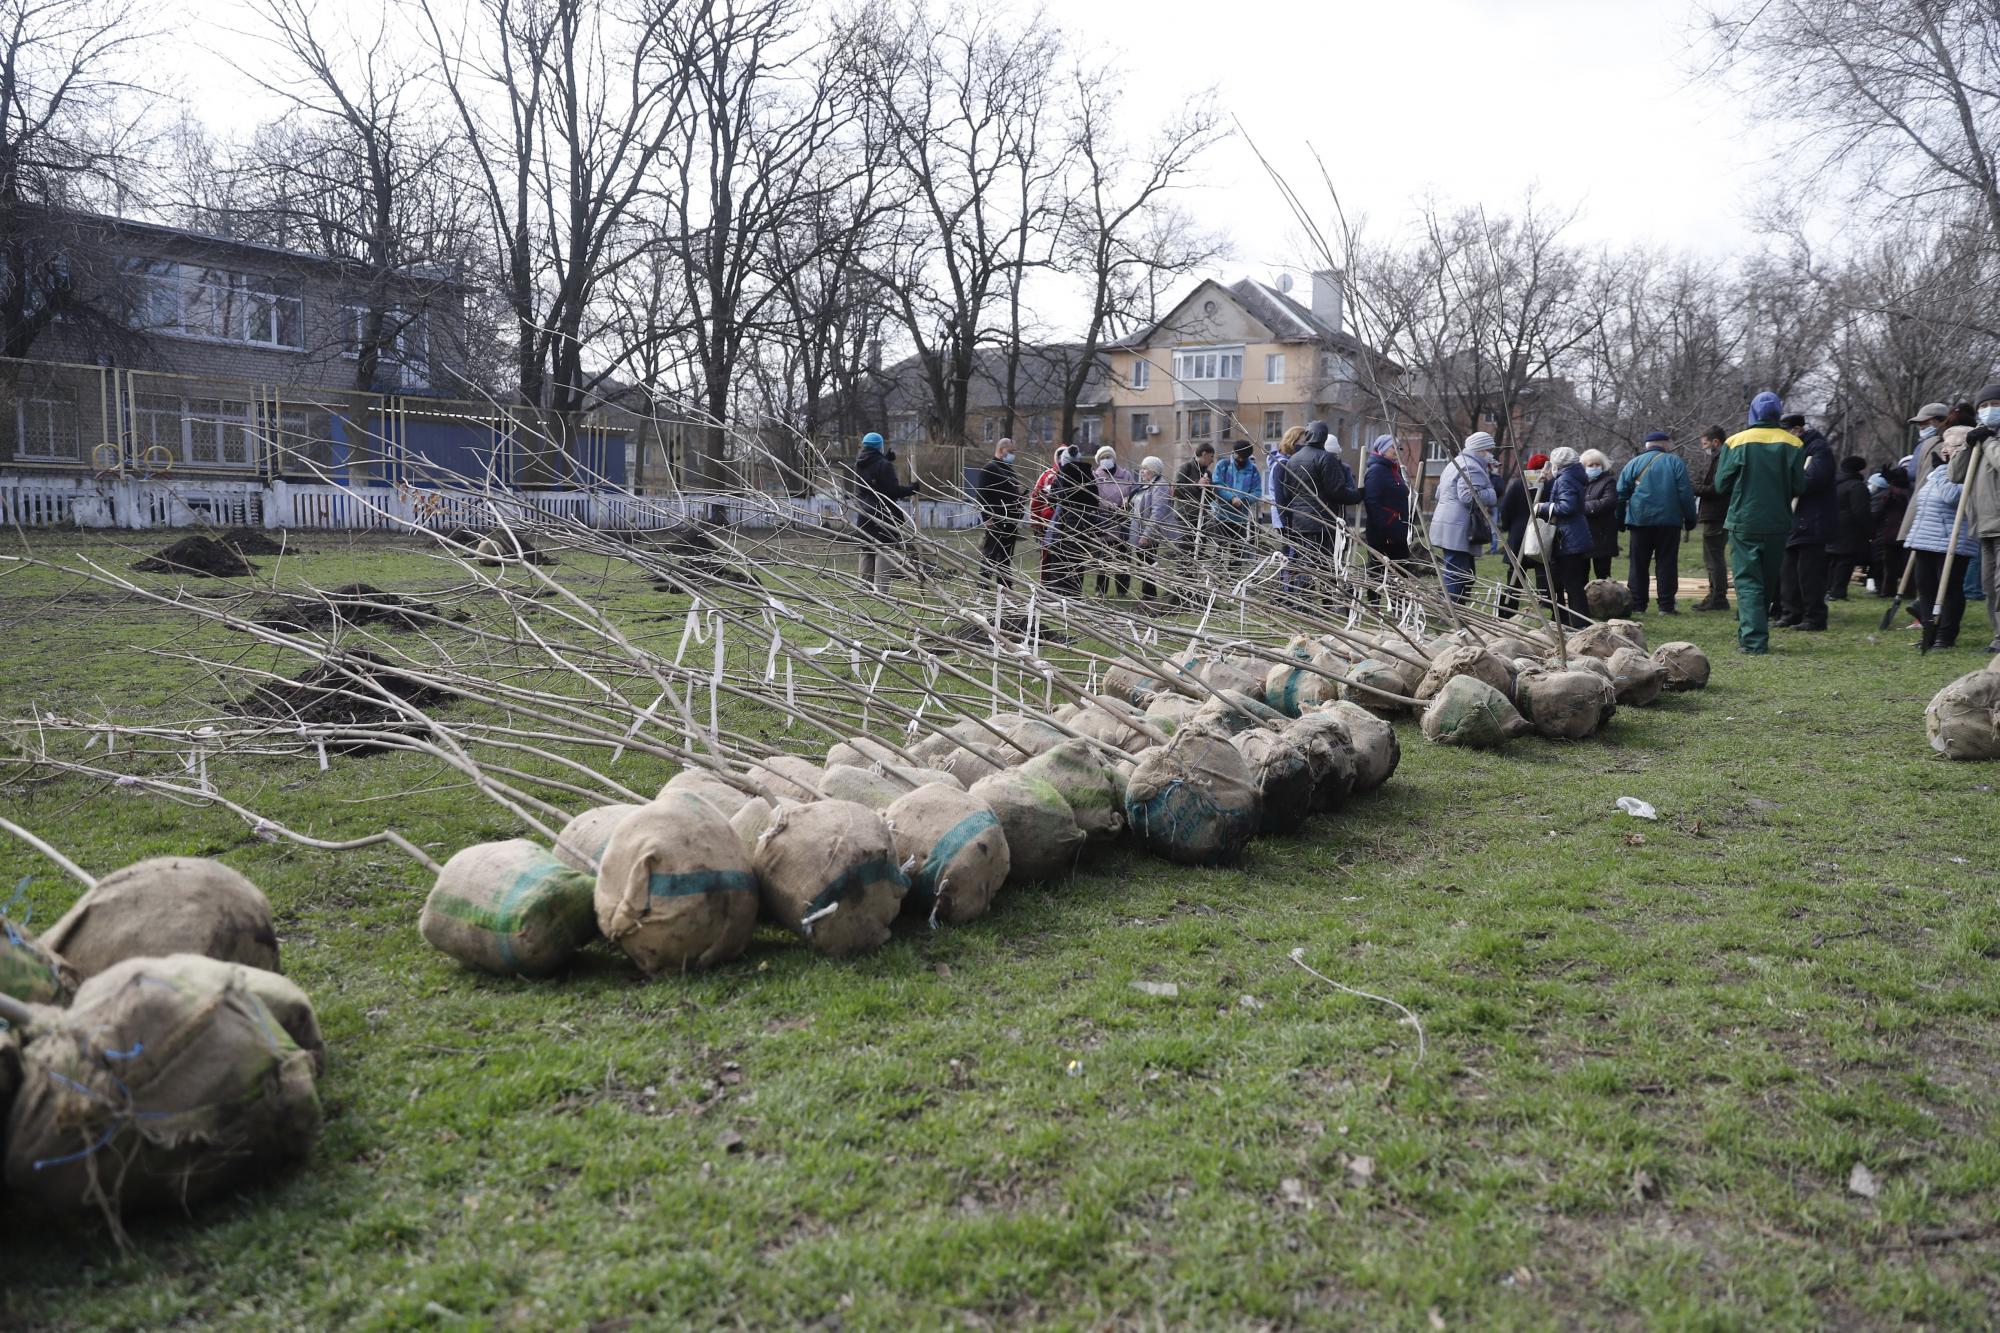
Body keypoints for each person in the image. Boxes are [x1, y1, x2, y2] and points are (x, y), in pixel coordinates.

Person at [1715, 391, 1807, 655]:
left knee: (1747, 582)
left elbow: (1722, 484)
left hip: (1744, 520)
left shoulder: (1735, 442)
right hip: (1778, 522)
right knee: (1766, 581)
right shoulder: (1794, 443)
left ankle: (1753, 640)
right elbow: (1800, 485)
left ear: (1752, 412)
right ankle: (1750, 633)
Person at [1907, 425, 1980, 648]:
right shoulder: (1939, 472)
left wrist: (1939, 472)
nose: (1948, 450)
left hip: (1952, 540)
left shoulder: (1969, 469)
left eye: (1955, 446)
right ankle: (1929, 631)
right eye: (1947, 445)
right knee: (1926, 585)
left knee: (1948, 588)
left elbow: (1952, 496)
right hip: (1926, 538)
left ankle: (1946, 635)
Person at [1617, 430, 1698, 615]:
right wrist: (1691, 517)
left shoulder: (1633, 463)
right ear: (1665, 444)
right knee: (1666, 563)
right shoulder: (1675, 462)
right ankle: (1666, 606)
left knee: (1638, 564)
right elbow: (1685, 493)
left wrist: (1620, 520)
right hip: (1669, 522)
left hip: (1639, 521)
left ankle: (1638, 604)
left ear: (1647, 445)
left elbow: (1620, 494)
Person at [1277, 420, 1364, 590]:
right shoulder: (1326, 458)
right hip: (1322, 522)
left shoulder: (1293, 460)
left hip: (1300, 522)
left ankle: (1304, 603)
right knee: (1326, 563)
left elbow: (1287, 492)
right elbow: (1336, 491)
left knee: (1305, 562)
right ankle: (1328, 602)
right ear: (1324, 437)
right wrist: (1358, 495)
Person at [1948, 382, 2000, 651]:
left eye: (1995, 405)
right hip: (1984, 525)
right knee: (1989, 586)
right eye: (1983, 406)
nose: (1989, 410)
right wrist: (1968, 446)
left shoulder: (1992, 440)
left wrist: (1989, 440)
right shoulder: (1979, 440)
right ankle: (1997, 635)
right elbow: (1955, 475)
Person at [1774, 413, 1837, 631]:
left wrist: (1787, 482)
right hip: (1792, 521)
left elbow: (1814, 480)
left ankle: (1815, 617)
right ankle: (1791, 613)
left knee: (1809, 575)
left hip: (1812, 522)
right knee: (1788, 572)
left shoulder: (1819, 450)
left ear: (1797, 430)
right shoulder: (1790, 451)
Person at [1427, 431, 1499, 603]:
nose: (1491, 454)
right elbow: (1468, 497)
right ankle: (1452, 613)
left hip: (1449, 524)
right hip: (1458, 527)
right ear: (1481, 449)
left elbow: (1438, 493)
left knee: (1463, 572)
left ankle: (1458, 610)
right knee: (1457, 572)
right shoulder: (1471, 466)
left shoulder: (1455, 463)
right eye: (1489, 449)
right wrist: (1491, 493)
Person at [1535, 446, 1593, 627]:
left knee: (1571, 583)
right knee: (1568, 581)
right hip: (1572, 535)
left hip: (1568, 538)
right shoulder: (1571, 476)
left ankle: (1578, 623)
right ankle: (1571, 620)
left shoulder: (1566, 479)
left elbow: (1567, 507)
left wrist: (1542, 508)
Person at [852, 430, 918, 591]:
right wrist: (912, 489)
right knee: (884, 550)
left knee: (867, 549)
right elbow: (891, 491)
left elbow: (873, 480)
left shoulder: (859, 463)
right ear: (879, 446)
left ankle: (864, 587)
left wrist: (884, 459)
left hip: (864, 513)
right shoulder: (884, 465)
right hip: (883, 514)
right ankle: (881, 591)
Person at [1498, 452, 1554, 617]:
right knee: (1543, 572)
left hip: (1519, 533)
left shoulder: (1518, 485)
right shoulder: (1552, 484)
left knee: (1515, 573)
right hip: (1543, 531)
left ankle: (1508, 610)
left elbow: (1506, 508)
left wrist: (1507, 526)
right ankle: (1547, 607)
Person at [1893, 402, 1950, 552]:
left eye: (1926, 422)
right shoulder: (1921, 445)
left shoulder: (1946, 444)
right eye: (1919, 424)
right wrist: (1899, 479)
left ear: (1941, 421)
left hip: (1935, 515)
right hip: (1917, 505)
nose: (1921, 427)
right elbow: (1917, 476)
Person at [1044, 444, 1099, 596]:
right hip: (1083, 527)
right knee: (1077, 563)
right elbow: (1095, 501)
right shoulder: (1088, 474)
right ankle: (1075, 596)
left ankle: (1059, 596)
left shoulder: (1063, 474)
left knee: (1060, 564)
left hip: (1063, 525)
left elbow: (1054, 499)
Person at [1127, 455, 1180, 606]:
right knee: (1143, 564)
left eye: (1145, 469)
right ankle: (1148, 595)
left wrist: (1147, 534)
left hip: (1149, 534)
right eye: (1142, 468)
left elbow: (1157, 512)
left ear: (1153, 470)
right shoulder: (1146, 485)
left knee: (1148, 564)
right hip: (1139, 531)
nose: (1142, 471)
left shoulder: (1160, 486)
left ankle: (1149, 597)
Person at [1690, 425, 1731, 610]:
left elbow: (1716, 488)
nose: (1704, 447)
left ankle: (1718, 597)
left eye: (1706, 443)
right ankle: (1715, 594)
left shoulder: (1721, 459)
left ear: (1716, 442)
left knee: (1714, 558)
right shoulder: (1719, 458)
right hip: (1716, 514)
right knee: (1712, 558)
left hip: (1717, 514)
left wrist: (1694, 487)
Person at [973, 435, 1022, 589]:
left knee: (1006, 557)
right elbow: (981, 495)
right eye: (1011, 451)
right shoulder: (989, 469)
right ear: (1002, 450)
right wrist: (987, 518)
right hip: (996, 519)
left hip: (1011, 520)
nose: (1013, 454)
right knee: (990, 555)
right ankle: (983, 585)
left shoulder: (1009, 471)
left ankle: (1005, 587)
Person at [1362, 435, 1410, 592]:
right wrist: (1387, 525)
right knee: (1378, 571)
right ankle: (1374, 606)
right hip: (1384, 534)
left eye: (1399, 447)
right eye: (1393, 447)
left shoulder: (1393, 470)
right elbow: (1372, 502)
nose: (1397, 451)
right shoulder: (1377, 471)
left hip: (1398, 530)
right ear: (1382, 450)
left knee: (1400, 572)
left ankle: (1399, 608)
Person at [1088, 444, 1137, 597]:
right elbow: (1093, 497)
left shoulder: (1126, 475)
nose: (1106, 460)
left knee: (1123, 557)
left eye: (1108, 457)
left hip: (1122, 521)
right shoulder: (1095, 476)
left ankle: (1122, 590)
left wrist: (1128, 501)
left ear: (1114, 458)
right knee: (1103, 557)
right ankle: (1100, 590)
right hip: (1104, 521)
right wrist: (1109, 506)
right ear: (1098, 461)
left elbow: (1134, 491)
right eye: (1102, 458)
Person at [1824, 455, 1873, 601]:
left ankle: (1828, 588)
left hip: (1831, 525)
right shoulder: (1856, 486)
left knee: (1832, 560)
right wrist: (1870, 530)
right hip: (1849, 529)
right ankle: (1838, 592)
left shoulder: (1833, 484)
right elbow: (1861, 511)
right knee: (1845, 561)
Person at [1210, 439, 1261, 575]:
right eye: (1237, 456)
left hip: (1240, 518)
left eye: (1241, 457)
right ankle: (1216, 578)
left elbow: (1257, 492)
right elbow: (1217, 485)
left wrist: (1244, 500)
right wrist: (1231, 498)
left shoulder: (1253, 470)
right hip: (1221, 515)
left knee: (1237, 552)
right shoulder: (1223, 465)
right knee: (1219, 549)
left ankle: (1233, 581)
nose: (1238, 459)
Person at [1874, 460, 1914, 597]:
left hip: (1890, 532)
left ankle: (1888, 590)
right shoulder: (1911, 493)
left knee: (1890, 565)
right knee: (1908, 565)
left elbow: (1879, 511)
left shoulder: (1888, 493)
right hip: (1907, 531)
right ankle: (1908, 591)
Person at [1581, 449, 1620, 579]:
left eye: (1597, 465)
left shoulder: (1608, 481)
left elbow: (1609, 502)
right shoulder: (1579, 482)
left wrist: (1581, 507)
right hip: (1583, 536)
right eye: (1590, 465)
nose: (1594, 467)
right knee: (1581, 575)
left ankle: (1605, 600)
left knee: (1603, 575)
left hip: (1603, 536)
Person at [1173, 442, 1215, 554]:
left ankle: (1195, 571)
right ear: (1204, 454)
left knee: (1199, 550)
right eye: (1211, 456)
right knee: (1185, 549)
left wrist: (1210, 489)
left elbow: (1210, 498)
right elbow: (1176, 490)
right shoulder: (1186, 468)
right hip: (1185, 516)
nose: (1212, 460)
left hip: (1201, 517)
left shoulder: (1207, 473)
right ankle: (1183, 571)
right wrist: (1196, 485)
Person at [1028, 444, 1061, 581]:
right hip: (1047, 524)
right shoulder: (1047, 475)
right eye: (1059, 456)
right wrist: (1035, 521)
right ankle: (1045, 585)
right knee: (1047, 555)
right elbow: (1035, 499)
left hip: (1069, 525)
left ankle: (1062, 588)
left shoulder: (1075, 476)